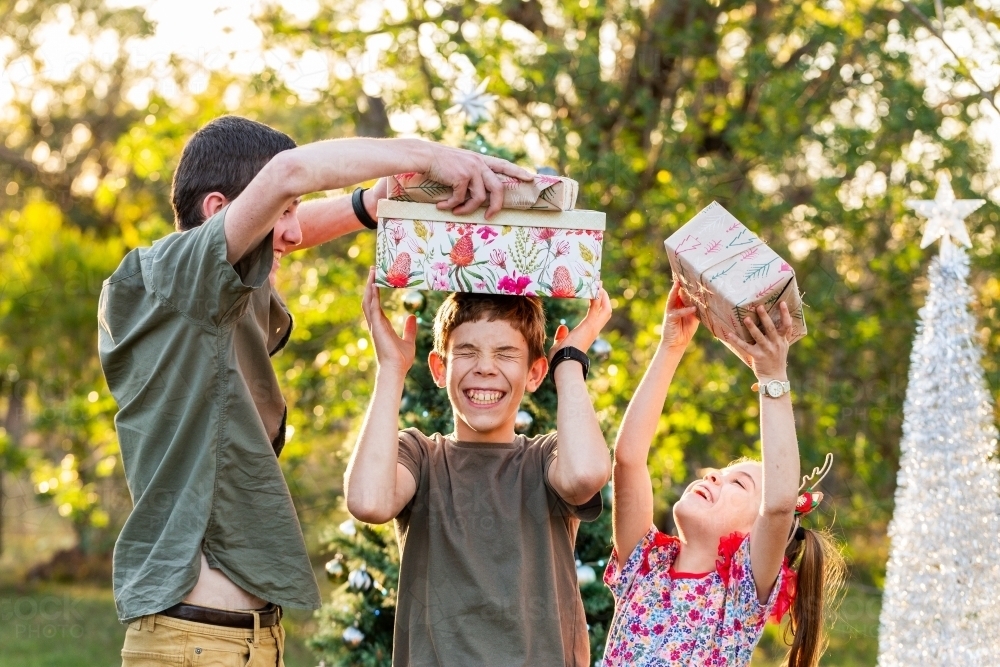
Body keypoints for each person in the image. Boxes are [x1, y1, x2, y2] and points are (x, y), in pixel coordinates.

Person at [97, 114, 533, 666]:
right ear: (216, 210)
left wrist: (367, 206)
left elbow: (291, 217)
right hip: (196, 644)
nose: (296, 232)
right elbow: (289, 172)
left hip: (243, 639)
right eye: (283, 212)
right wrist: (425, 155)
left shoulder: (209, 293)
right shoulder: (164, 278)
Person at [346, 276, 613, 666]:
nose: (485, 368)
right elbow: (368, 502)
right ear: (439, 368)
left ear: (535, 373)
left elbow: (586, 476)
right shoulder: (420, 456)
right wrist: (391, 368)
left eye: (506, 354)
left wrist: (569, 362)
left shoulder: (547, 459)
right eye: (467, 352)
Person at [602, 283, 845, 667]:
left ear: (755, 536)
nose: (715, 475)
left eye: (739, 484)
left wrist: (772, 378)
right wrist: (671, 347)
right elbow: (629, 458)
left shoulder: (741, 592)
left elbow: (779, 505)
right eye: (723, 472)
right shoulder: (644, 564)